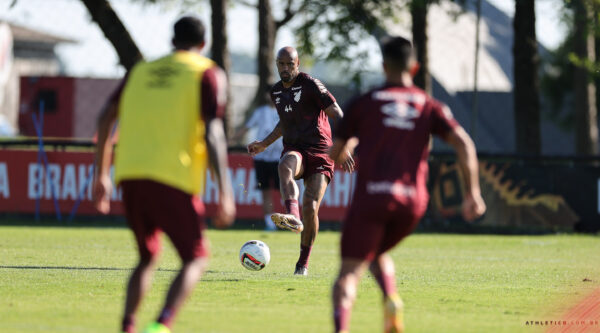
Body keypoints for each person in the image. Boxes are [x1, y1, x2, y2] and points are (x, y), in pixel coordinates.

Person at [329, 36, 486, 333]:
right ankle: (390, 298)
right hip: (412, 202)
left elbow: (335, 153)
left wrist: (348, 144)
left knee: (348, 275)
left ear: (383, 65)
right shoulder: (429, 105)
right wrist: (472, 193)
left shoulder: (364, 103)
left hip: (372, 199)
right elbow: (464, 143)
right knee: (375, 252)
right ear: (414, 68)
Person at [92, 16, 235, 333]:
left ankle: (128, 326)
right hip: (172, 176)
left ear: (172, 41)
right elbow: (213, 132)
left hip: (129, 175)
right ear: (203, 44)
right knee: (195, 258)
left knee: (146, 258)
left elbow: (104, 119)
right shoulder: (206, 72)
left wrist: (100, 176)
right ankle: (161, 325)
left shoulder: (139, 71)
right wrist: (225, 190)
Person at [247, 46, 354, 276]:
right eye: (281, 64)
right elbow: (284, 123)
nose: (285, 68)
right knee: (285, 165)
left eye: (290, 64)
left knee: (311, 207)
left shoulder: (311, 84)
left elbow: (337, 111)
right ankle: (292, 216)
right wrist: (264, 143)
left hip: (321, 152)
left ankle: (302, 264)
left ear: (297, 64)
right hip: (296, 148)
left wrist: (344, 144)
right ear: (277, 65)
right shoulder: (276, 92)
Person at [233, 88, 282, 231]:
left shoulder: (285, 111)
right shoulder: (260, 112)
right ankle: (269, 223)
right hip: (261, 158)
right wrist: (231, 139)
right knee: (265, 190)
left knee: (285, 191)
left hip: (280, 158)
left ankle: (289, 220)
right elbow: (247, 127)